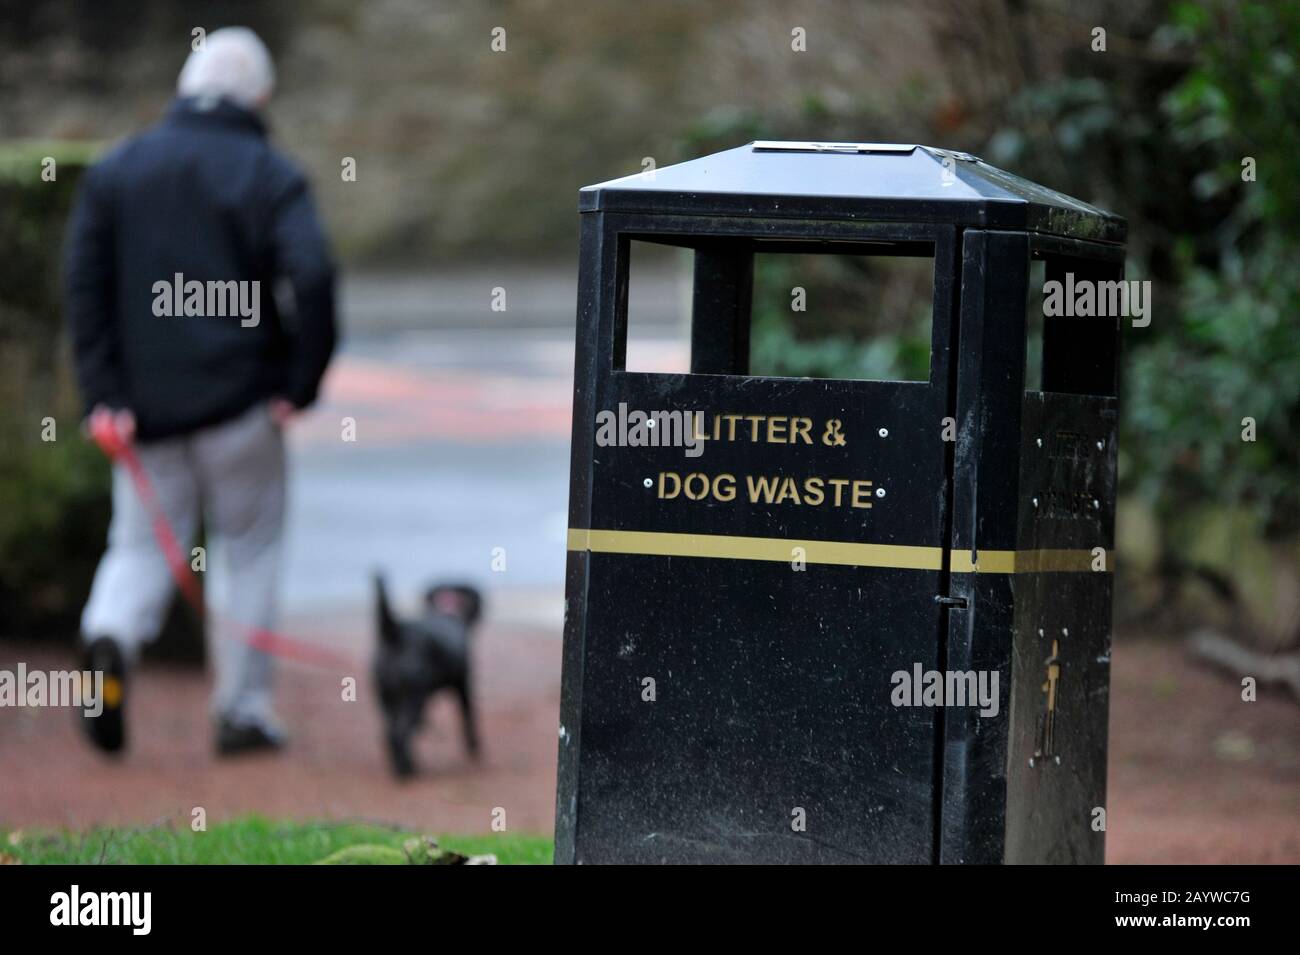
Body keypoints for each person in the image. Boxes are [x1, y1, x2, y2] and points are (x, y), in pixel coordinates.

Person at [64, 27, 337, 756]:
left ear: (184, 86)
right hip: (242, 405)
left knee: (138, 547)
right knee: (248, 549)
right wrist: (298, 384)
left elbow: (84, 288)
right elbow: (311, 273)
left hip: (143, 412)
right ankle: (241, 710)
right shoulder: (268, 173)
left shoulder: (118, 169)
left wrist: (104, 396)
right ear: (261, 96)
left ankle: (111, 636)